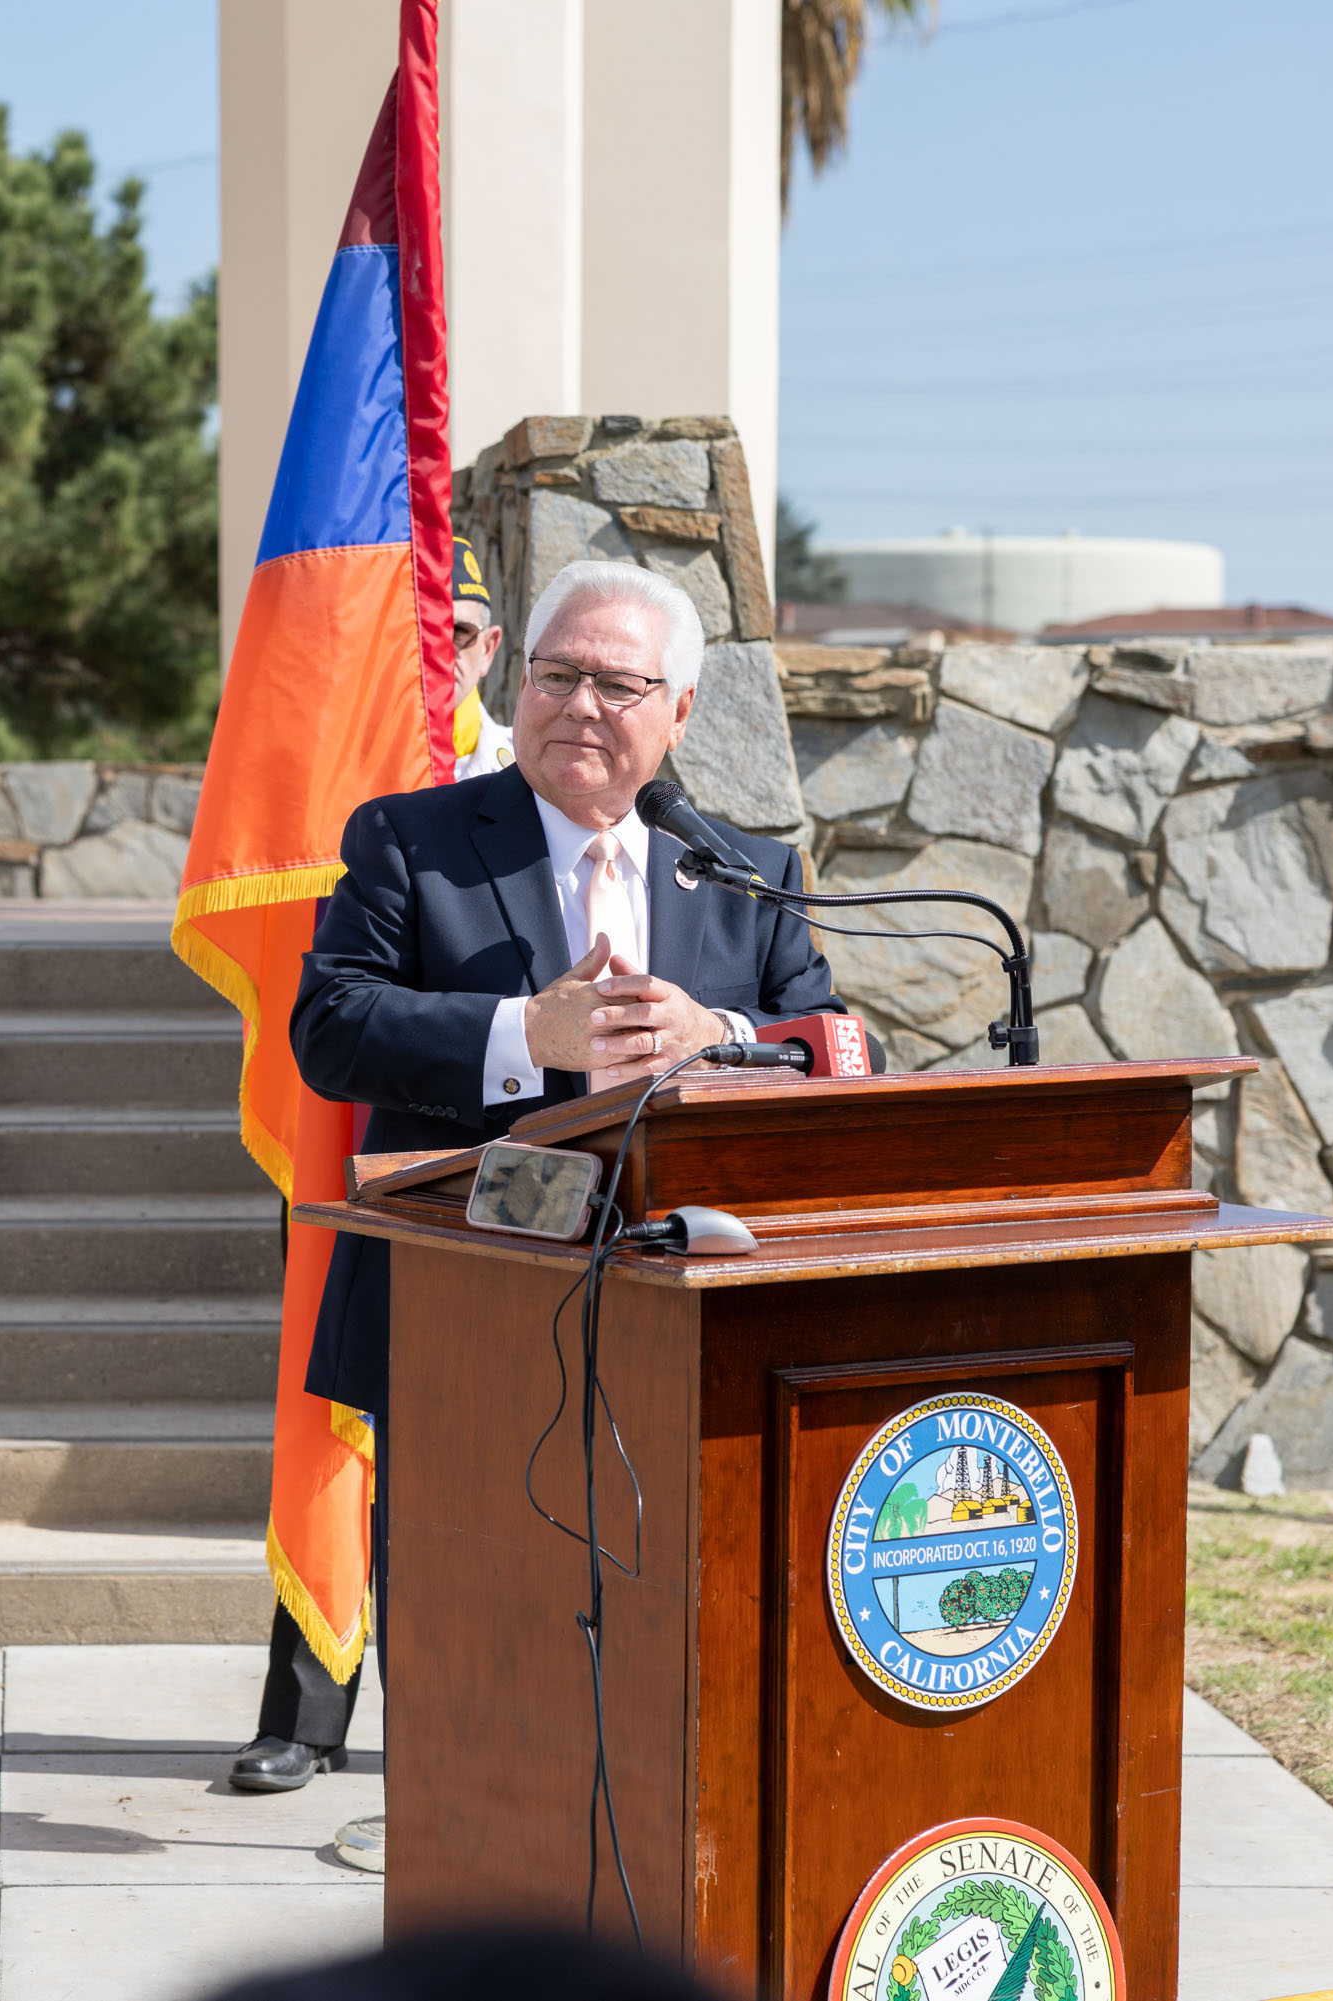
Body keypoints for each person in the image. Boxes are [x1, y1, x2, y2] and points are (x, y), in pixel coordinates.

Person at [265, 559, 842, 1861]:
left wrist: (724, 1034)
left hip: (676, 1314)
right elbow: (331, 1027)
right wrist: (531, 1032)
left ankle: (637, 1827)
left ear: (679, 710)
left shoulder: (743, 871)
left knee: (659, 1590)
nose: (580, 703)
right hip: (470, 1299)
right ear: (517, 686)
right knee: (467, 1592)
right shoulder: (409, 841)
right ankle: (464, 1830)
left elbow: (833, 1045)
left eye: (617, 681)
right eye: (555, 673)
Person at [228, 531, 514, 1794]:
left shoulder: (542, 788)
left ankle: (475, 1718)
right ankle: (309, 1710)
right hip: (367, 1144)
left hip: (521, 1168)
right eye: (411, 640)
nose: (431, 663)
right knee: (337, 1418)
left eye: (452, 639)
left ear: (490, 650)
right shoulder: (352, 793)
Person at [447, 534, 516, 778]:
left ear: (488, 648)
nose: (439, 651)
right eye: (424, 632)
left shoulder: (531, 775)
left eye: (458, 632)